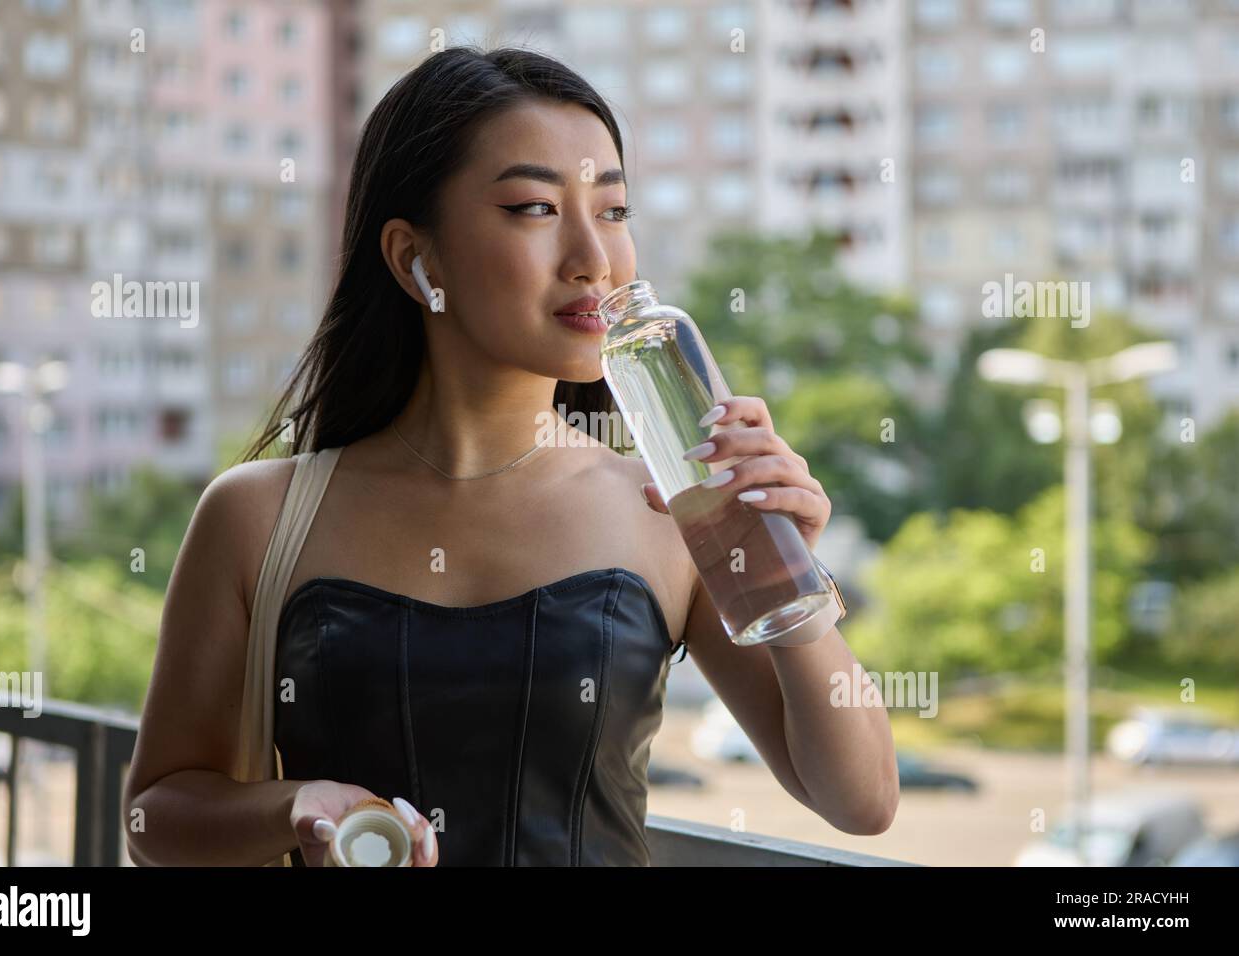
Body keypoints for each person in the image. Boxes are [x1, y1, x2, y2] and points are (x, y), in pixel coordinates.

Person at [123, 46, 897, 867]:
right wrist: (295, 806)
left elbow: (860, 800)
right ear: (416, 258)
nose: (594, 260)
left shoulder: (674, 508)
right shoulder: (256, 515)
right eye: (534, 208)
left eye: (613, 210)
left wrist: (788, 576)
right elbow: (155, 816)